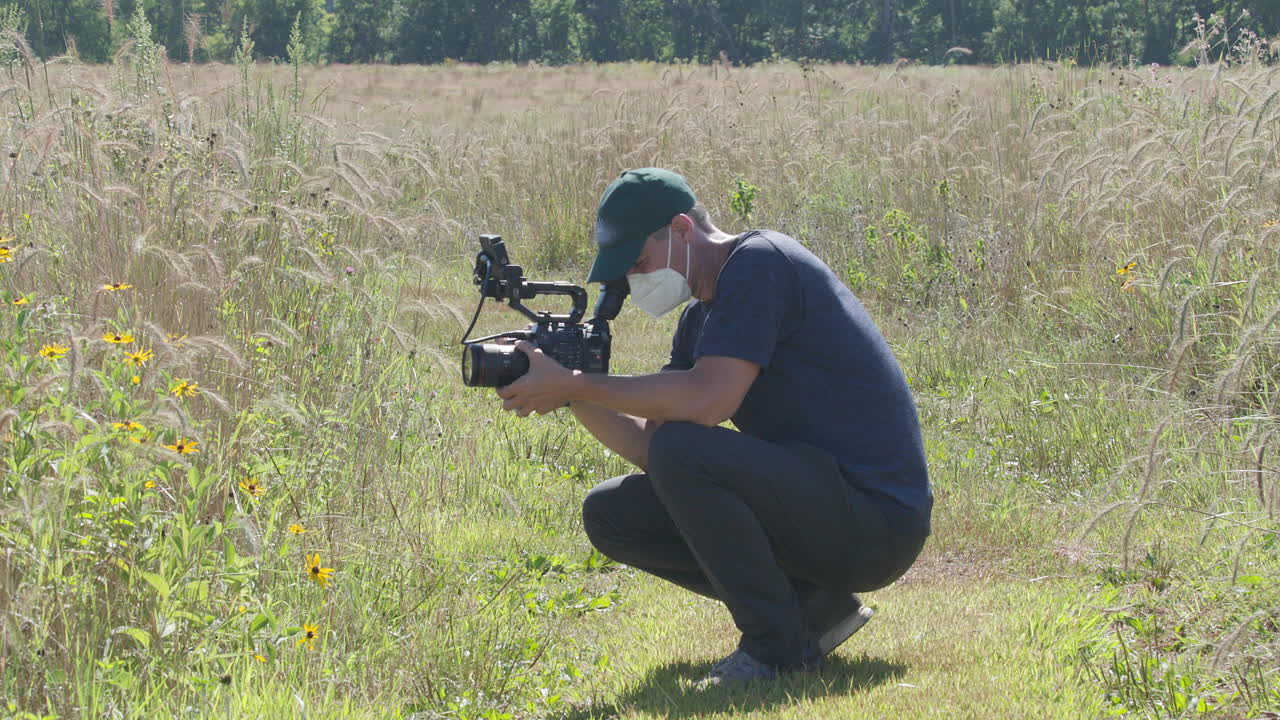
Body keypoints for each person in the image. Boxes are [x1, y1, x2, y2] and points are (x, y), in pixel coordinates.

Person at [495, 168, 931, 687]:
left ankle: (776, 650)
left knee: (683, 448)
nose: (635, 282)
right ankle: (815, 609)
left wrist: (578, 383)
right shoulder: (700, 317)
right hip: (822, 506)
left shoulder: (761, 262)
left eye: (638, 263)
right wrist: (571, 391)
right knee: (612, 512)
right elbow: (652, 448)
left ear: (682, 229)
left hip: (877, 520)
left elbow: (708, 400)